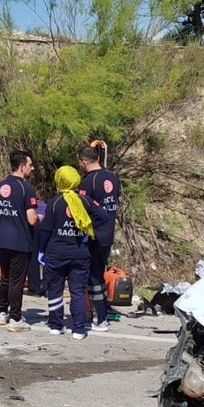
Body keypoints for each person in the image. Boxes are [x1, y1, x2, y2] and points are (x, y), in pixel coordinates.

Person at [38, 166, 111, 340]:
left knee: (55, 289)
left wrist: (41, 250)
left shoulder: (54, 203)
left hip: (56, 252)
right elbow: (104, 216)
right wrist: (88, 228)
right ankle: (79, 329)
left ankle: (56, 325)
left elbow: (46, 230)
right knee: (78, 291)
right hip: (80, 253)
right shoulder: (85, 201)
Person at [0, 151, 38, 331]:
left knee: (6, 279)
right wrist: (40, 218)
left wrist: (1, 230)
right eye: (30, 165)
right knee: (17, 281)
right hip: (20, 241)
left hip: (2, 238)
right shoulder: (26, 189)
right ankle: (16, 319)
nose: (32, 168)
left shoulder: (0, 186)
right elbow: (32, 219)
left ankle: (2, 313)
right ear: (21, 166)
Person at [77, 141, 122, 332]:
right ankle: (99, 312)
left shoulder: (88, 181)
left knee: (94, 277)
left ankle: (100, 318)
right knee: (98, 274)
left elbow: (82, 209)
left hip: (93, 234)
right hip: (108, 232)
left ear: (84, 161)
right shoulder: (113, 178)